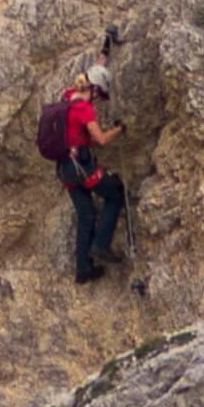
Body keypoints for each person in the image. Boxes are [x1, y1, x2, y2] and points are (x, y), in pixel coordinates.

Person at [59, 61, 126, 284]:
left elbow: (94, 71)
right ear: (95, 90)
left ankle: (83, 271)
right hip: (81, 168)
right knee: (115, 194)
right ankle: (101, 246)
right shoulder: (83, 109)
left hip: (64, 170)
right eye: (99, 94)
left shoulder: (67, 96)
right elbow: (101, 140)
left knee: (86, 215)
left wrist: (105, 52)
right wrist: (119, 129)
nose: (98, 99)